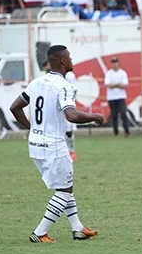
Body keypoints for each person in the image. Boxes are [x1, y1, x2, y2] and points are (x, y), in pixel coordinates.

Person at [9, 45, 104, 243]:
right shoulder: (64, 85)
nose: (72, 60)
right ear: (62, 61)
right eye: (69, 57)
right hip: (54, 145)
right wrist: (94, 116)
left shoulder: (36, 83)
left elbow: (15, 107)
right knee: (64, 190)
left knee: (65, 185)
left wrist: (32, 127)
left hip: (35, 145)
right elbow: (71, 115)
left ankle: (77, 228)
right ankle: (40, 232)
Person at [104, 57, 130, 137]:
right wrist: (118, 84)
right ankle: (116, 132)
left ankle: (127, 131)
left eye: (116, 62)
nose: (115, 64)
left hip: (121, 97)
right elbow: (108, 85)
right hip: (112, 97)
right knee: (114, 115)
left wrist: (114, 85)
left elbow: (125, 85)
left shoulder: (122, 73)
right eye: (113, 63)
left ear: (118, 63)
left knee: (123, 114)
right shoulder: (109, 73)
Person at [65, 70, 78, 160]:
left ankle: (72, 150)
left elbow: (74, 90)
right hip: (55, 107)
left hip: (67, 106)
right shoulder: (53, 75)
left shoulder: (70, 76)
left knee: (68, 132)